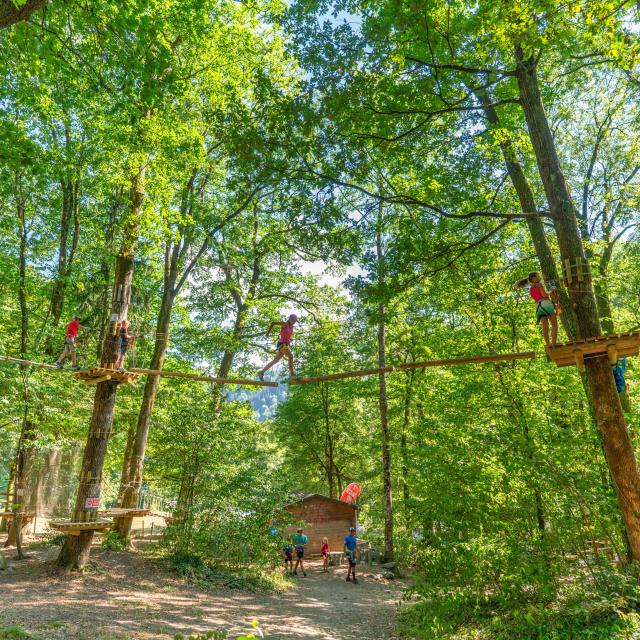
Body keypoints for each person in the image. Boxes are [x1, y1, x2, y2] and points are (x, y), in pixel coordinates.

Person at [516, 271, 558, 347]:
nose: (540, 277)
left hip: (538, 307)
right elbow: (544, 295)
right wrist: (552, 290)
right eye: (538, 276)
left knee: (545, 327)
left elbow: (537, 297)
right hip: (546, 304)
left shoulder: (531, 288)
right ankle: (554, 344)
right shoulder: (539, 284)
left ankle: (548, 345)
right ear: (533, 278)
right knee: (554, 325)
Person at [257, 314, 298, 381]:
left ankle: (262, 372)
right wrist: (268, 332)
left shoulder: (292, 327)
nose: (294, 322)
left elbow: (287, 336)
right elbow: (273, 323)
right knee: (290, 357)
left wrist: (290, 339)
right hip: (281, 344)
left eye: (295, 321)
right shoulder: (284, 324)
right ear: (290, 319)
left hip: (285, 344)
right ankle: (292, 375)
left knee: (275, 361)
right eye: (293, 320)